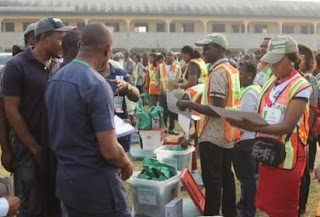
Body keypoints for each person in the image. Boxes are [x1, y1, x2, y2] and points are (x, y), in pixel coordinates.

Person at [45, 23, 133, 217]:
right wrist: (126, 162)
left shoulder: (55, 79)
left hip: (67, 180)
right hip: (97, 186)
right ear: (108, 49)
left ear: (80, 46)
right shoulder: (97, 84)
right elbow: (110, 151)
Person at [227, 35, 312, 217]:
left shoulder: (301, 86)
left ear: (292, 60)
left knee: (284, 210)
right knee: (270, 207)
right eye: (271, 62)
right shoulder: (271, 83)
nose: (273, 66)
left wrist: (249, 126)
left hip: (288, 158)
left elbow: (286, 126)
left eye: (277, 62)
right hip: (268, 154)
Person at [3, 17, 72, 217]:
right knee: (31, 206)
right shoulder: (17, 66)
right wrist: (34, 148)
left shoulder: (59, 66)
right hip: (27, 151)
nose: (63, 44)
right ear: (43, 38)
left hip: (55, 148)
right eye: (60, 39)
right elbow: (11, 111)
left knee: (55, 204)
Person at [177, 33, 240, 217]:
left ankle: (211, 213)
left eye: (207, 48)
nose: (203, 52)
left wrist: (188, 104)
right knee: (226, 177)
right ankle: (229, 212)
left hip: (213, 135)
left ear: (219, 49)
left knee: (212, 180)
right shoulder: (231, 69)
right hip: (227, 133)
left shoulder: (219, 72)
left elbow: (216, 108)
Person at [233, 61, 261, 217]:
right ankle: (244, 203)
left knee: (247, 178)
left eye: (241, 73)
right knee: (246, 177)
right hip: (249, 139)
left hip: (245, 140)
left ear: (250, 75)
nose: (238, 76)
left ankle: (248, 209)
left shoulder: (250, 92)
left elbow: (245, 119)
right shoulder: (252, 89)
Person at [98, 56, 140, 152]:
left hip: (120, 128)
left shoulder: (120, 73)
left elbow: (136, 96)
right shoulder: (88, 74)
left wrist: (127, 87)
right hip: (98, 131)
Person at [297, 43, 318, 215]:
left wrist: (307, 129)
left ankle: (301, 205)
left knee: (303, 172)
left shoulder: (310, 80)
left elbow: (313, 108)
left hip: (302, 132)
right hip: (289, 133)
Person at [156, 52, 182, 135]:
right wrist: (159, 88)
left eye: (171, 56)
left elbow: (178, 80)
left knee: (172, 111)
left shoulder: (177, 67)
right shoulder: (160, 67)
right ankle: (163, 128)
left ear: (174, 57)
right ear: (165, 57)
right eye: (168, 55)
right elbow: (157, 79)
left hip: (173, 94)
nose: (169, 57)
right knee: (163, 111)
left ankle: (172, 128)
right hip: (162, 93)